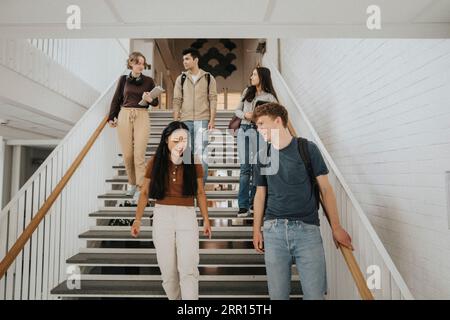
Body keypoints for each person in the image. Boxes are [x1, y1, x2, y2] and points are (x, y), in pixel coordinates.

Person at [251, 102, 353, 300]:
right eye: (256, 125)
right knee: (278, 297)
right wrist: (256, 230)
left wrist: (336, 227)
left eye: (262, 123)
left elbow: (326, 189)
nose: (258, 129)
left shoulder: (307, 149)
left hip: (307, 231)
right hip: (274, 231)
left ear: (278, 121)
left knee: (315, 296)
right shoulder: (262, 156)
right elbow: (260, 195)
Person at [131, 121, 212, 300]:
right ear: (167, 139)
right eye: (177, 140)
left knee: (188, 269)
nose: (180, 144)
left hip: (187, 215)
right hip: (162, 215)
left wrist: (206, 219)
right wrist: (137, 220)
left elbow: (200, 192)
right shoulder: (155, 162)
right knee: (168, 273)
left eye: (184, 139)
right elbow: (144, 192)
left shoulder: (193, 160)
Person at [108, 51, 159, 200]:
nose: (141, 66)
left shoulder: (149, 81)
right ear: (131, 63)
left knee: (139, 154)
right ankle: (131, 183)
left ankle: (141, 187)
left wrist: (150, 99)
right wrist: (112, 117)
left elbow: (156, 103)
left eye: (143, 63)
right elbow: (116, 99)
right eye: (138, 63)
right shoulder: (123, 80)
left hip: (142, 116)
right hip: (124, 115)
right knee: (128, 155)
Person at [234, 67, 278, 218]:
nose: (251, 76)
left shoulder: (270, 97)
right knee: (245, 168)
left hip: (260, 132)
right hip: (244, 130)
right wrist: (245, 115)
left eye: (254, 74)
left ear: (262, 76)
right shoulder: (247, 92)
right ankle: (242, 205)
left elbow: (276, 114)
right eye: (251, 74)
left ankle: (254, 203)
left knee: (258, 167)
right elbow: (236, 111)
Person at [172, 48, 218, 184]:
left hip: (203, 120)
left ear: (195, 60)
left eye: (187, 59)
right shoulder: (181, 79)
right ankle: (188, 187)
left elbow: (213, 99)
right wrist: (176, 122)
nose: (184, 62)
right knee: (186, 156)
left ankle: (200, 188)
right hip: (185, 120)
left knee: (202, 156)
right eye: (183, 59)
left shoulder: (209, 78)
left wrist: (212, 120)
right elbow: (177, 100)